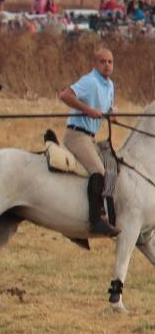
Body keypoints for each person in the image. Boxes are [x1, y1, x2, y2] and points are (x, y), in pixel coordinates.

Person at [58, 48, 121, 237]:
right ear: (95, 64)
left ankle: (110, 216)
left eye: (110, 62)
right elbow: (65, 95)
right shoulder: (90, 81)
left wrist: (113, 113)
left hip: (90, 137)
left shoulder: (110, 85)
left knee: (112, 167)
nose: (107, 65)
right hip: (76, 135)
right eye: (103, 62)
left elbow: (107, 108)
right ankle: (95, 221)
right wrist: (87, 110)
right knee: (98, 170)